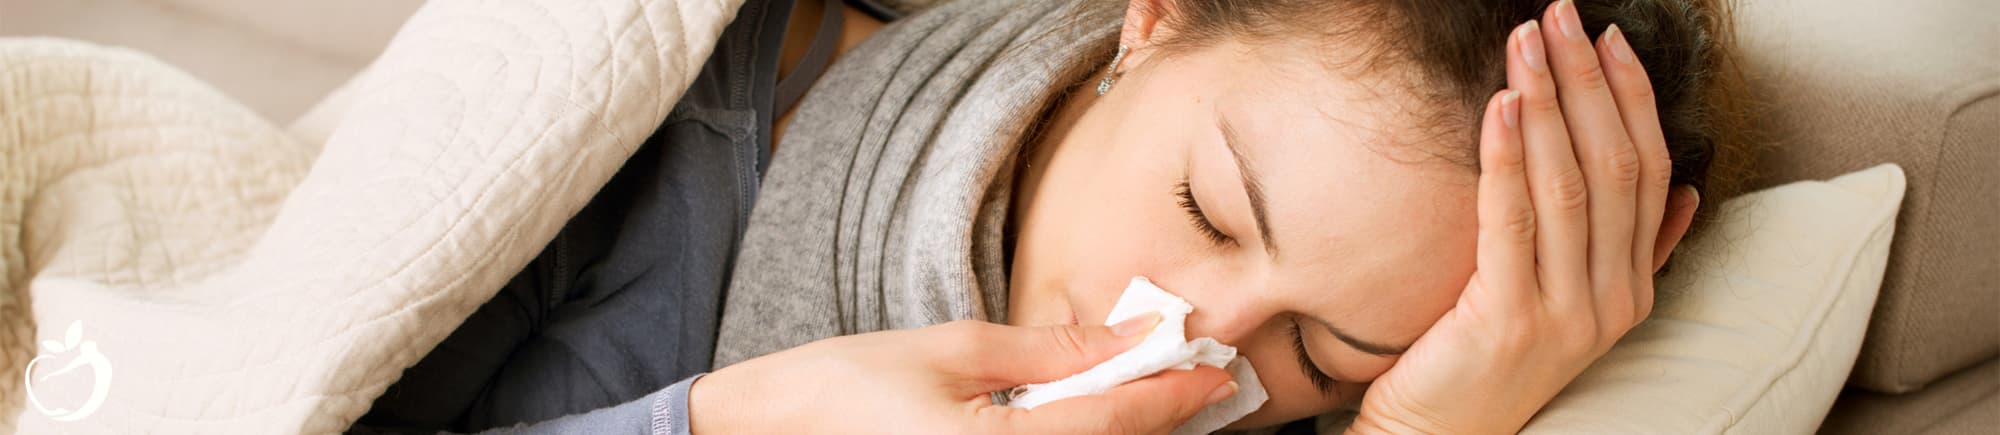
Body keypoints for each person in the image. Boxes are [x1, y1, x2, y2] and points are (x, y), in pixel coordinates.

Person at [363, 0, 1754, 433]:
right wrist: (733, 424)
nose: (1196, 345)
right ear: (1149, 21)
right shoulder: (665, 112)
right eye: (1207, 211)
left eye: (1323, 356)